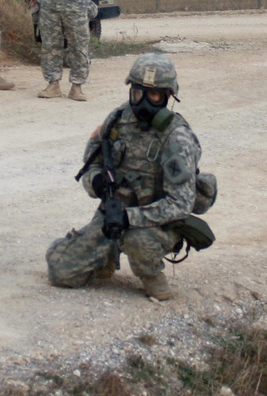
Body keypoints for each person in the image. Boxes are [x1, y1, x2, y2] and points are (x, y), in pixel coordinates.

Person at [46, 53, 203, 300]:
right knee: (60, 271)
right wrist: (97, 183)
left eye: (153, 95)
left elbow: (180, 204)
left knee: (137, 240)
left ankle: (152, 274)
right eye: (138, 93)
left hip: (156, 221)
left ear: (168, 96)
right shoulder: (118, 119)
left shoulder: (177, 138)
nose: (143, 103)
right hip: (112, 212)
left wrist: (129, 218)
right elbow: (91, 163)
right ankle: (105, 255)